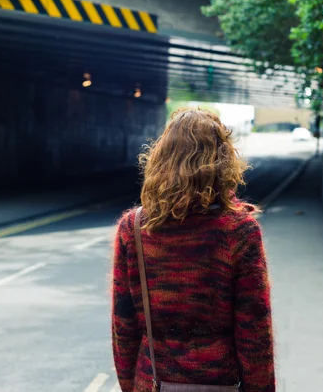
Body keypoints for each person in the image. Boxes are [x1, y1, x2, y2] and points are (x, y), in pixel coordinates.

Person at [111, 107, 275, 392]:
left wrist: (131, 386)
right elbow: (254, 330)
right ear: (224, 163)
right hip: (218, 383)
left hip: (152, 382)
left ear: (161, 159)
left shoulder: (133, 228)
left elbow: (123, 325)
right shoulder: (240, 231)